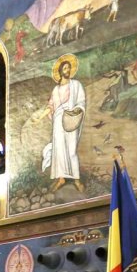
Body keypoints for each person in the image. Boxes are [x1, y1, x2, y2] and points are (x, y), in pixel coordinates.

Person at [44, 54, 86, 194]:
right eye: (65, 68)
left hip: (70, 118)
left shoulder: (76, 85)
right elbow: (51, 105)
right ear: (60, 71)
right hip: (57, 121)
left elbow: (81, 101)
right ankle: (61, 178)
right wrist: (48, 110)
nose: (67, 70)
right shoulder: (55, 90)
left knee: (72, 150)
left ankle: (76, 180)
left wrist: (77, 110)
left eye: (69, 68)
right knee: (60, 150)